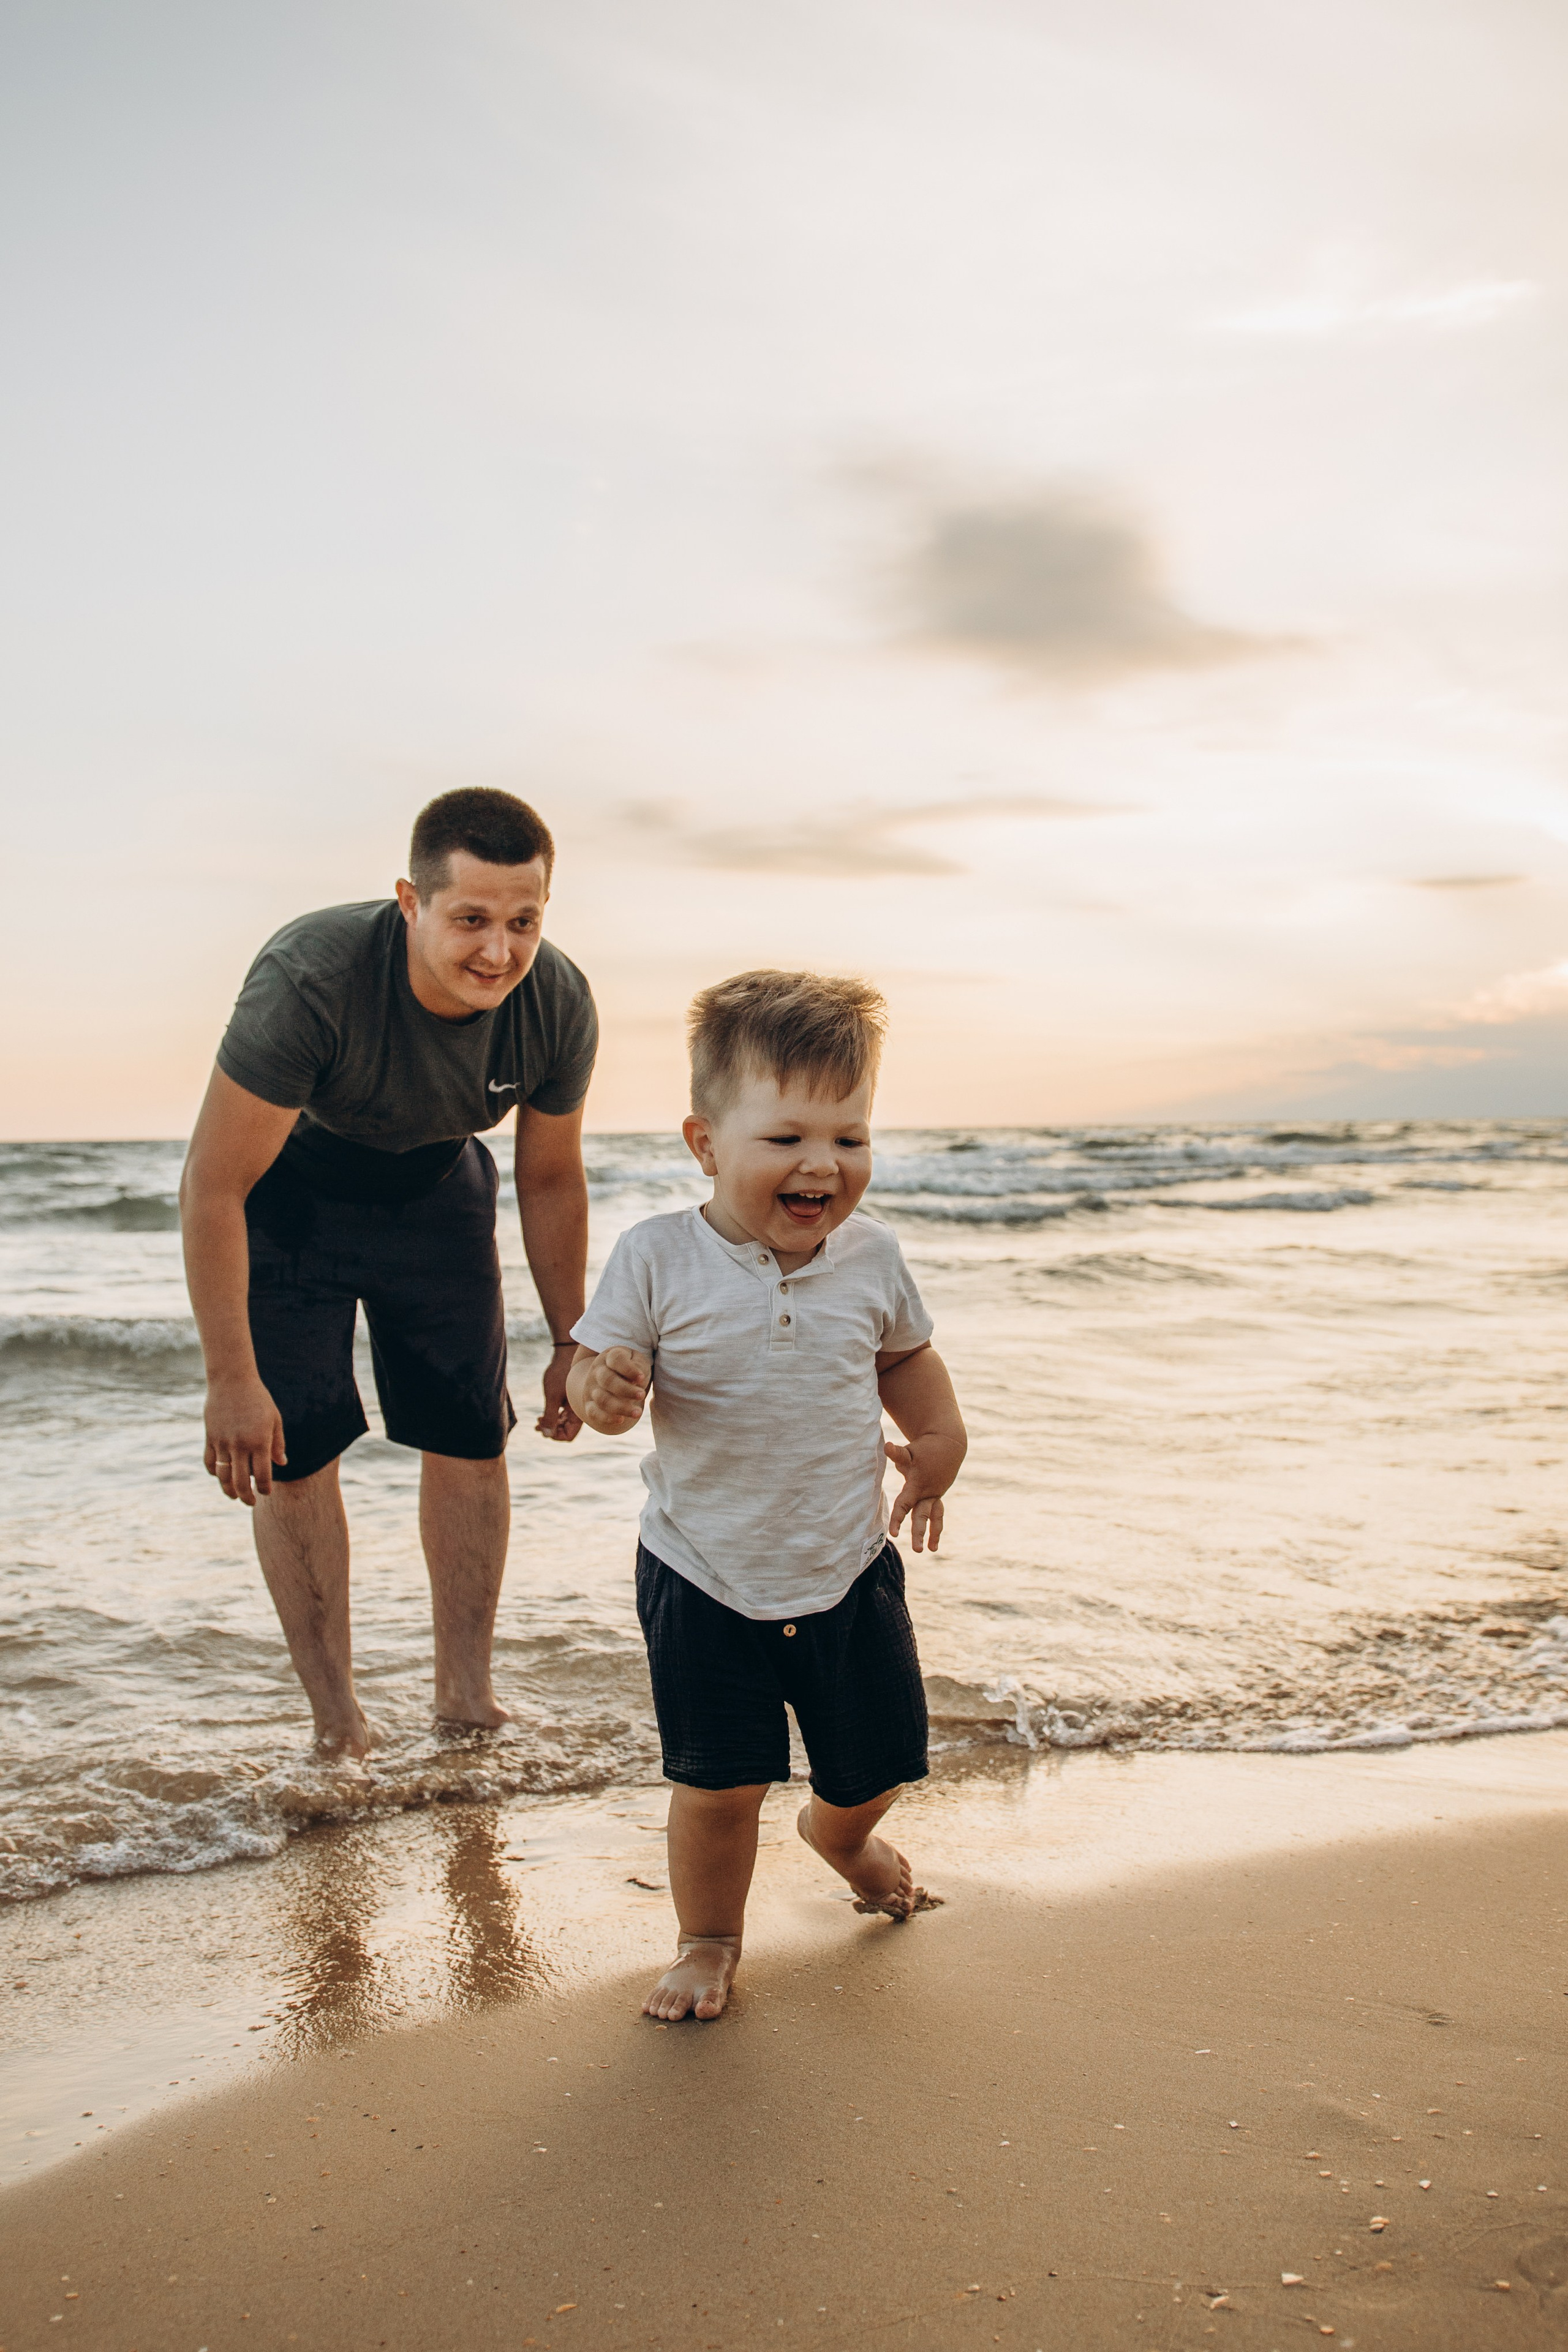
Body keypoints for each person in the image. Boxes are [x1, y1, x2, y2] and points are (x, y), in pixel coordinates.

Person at [566, 969, 966, 2022]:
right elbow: (596, 1380)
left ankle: (841, 1838)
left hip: (845, 1564)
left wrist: (940, 1436)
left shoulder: (872, 1256)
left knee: (882, 1757)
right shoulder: (658, 1257)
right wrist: (598, 1389)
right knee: (718, 1784)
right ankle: (708, 1941)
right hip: (703, 1569)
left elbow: (906, 1359)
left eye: (851, 1137)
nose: (823, 1165)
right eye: (785, 1138)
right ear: (705, 1142)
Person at [179, 788, 597, 1760]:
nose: (500, 950)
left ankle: (468, 1700)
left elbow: (549, 1177)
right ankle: (339, 1725)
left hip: (439, 1186)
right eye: (472, 919)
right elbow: (213, 1185)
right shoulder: (311, 979)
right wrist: (230, 1378)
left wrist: (574, 1339)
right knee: (295, 1451)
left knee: (469, 1436)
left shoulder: (557, 1002)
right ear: (411, 901)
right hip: (294, 1195)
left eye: (524, 920)